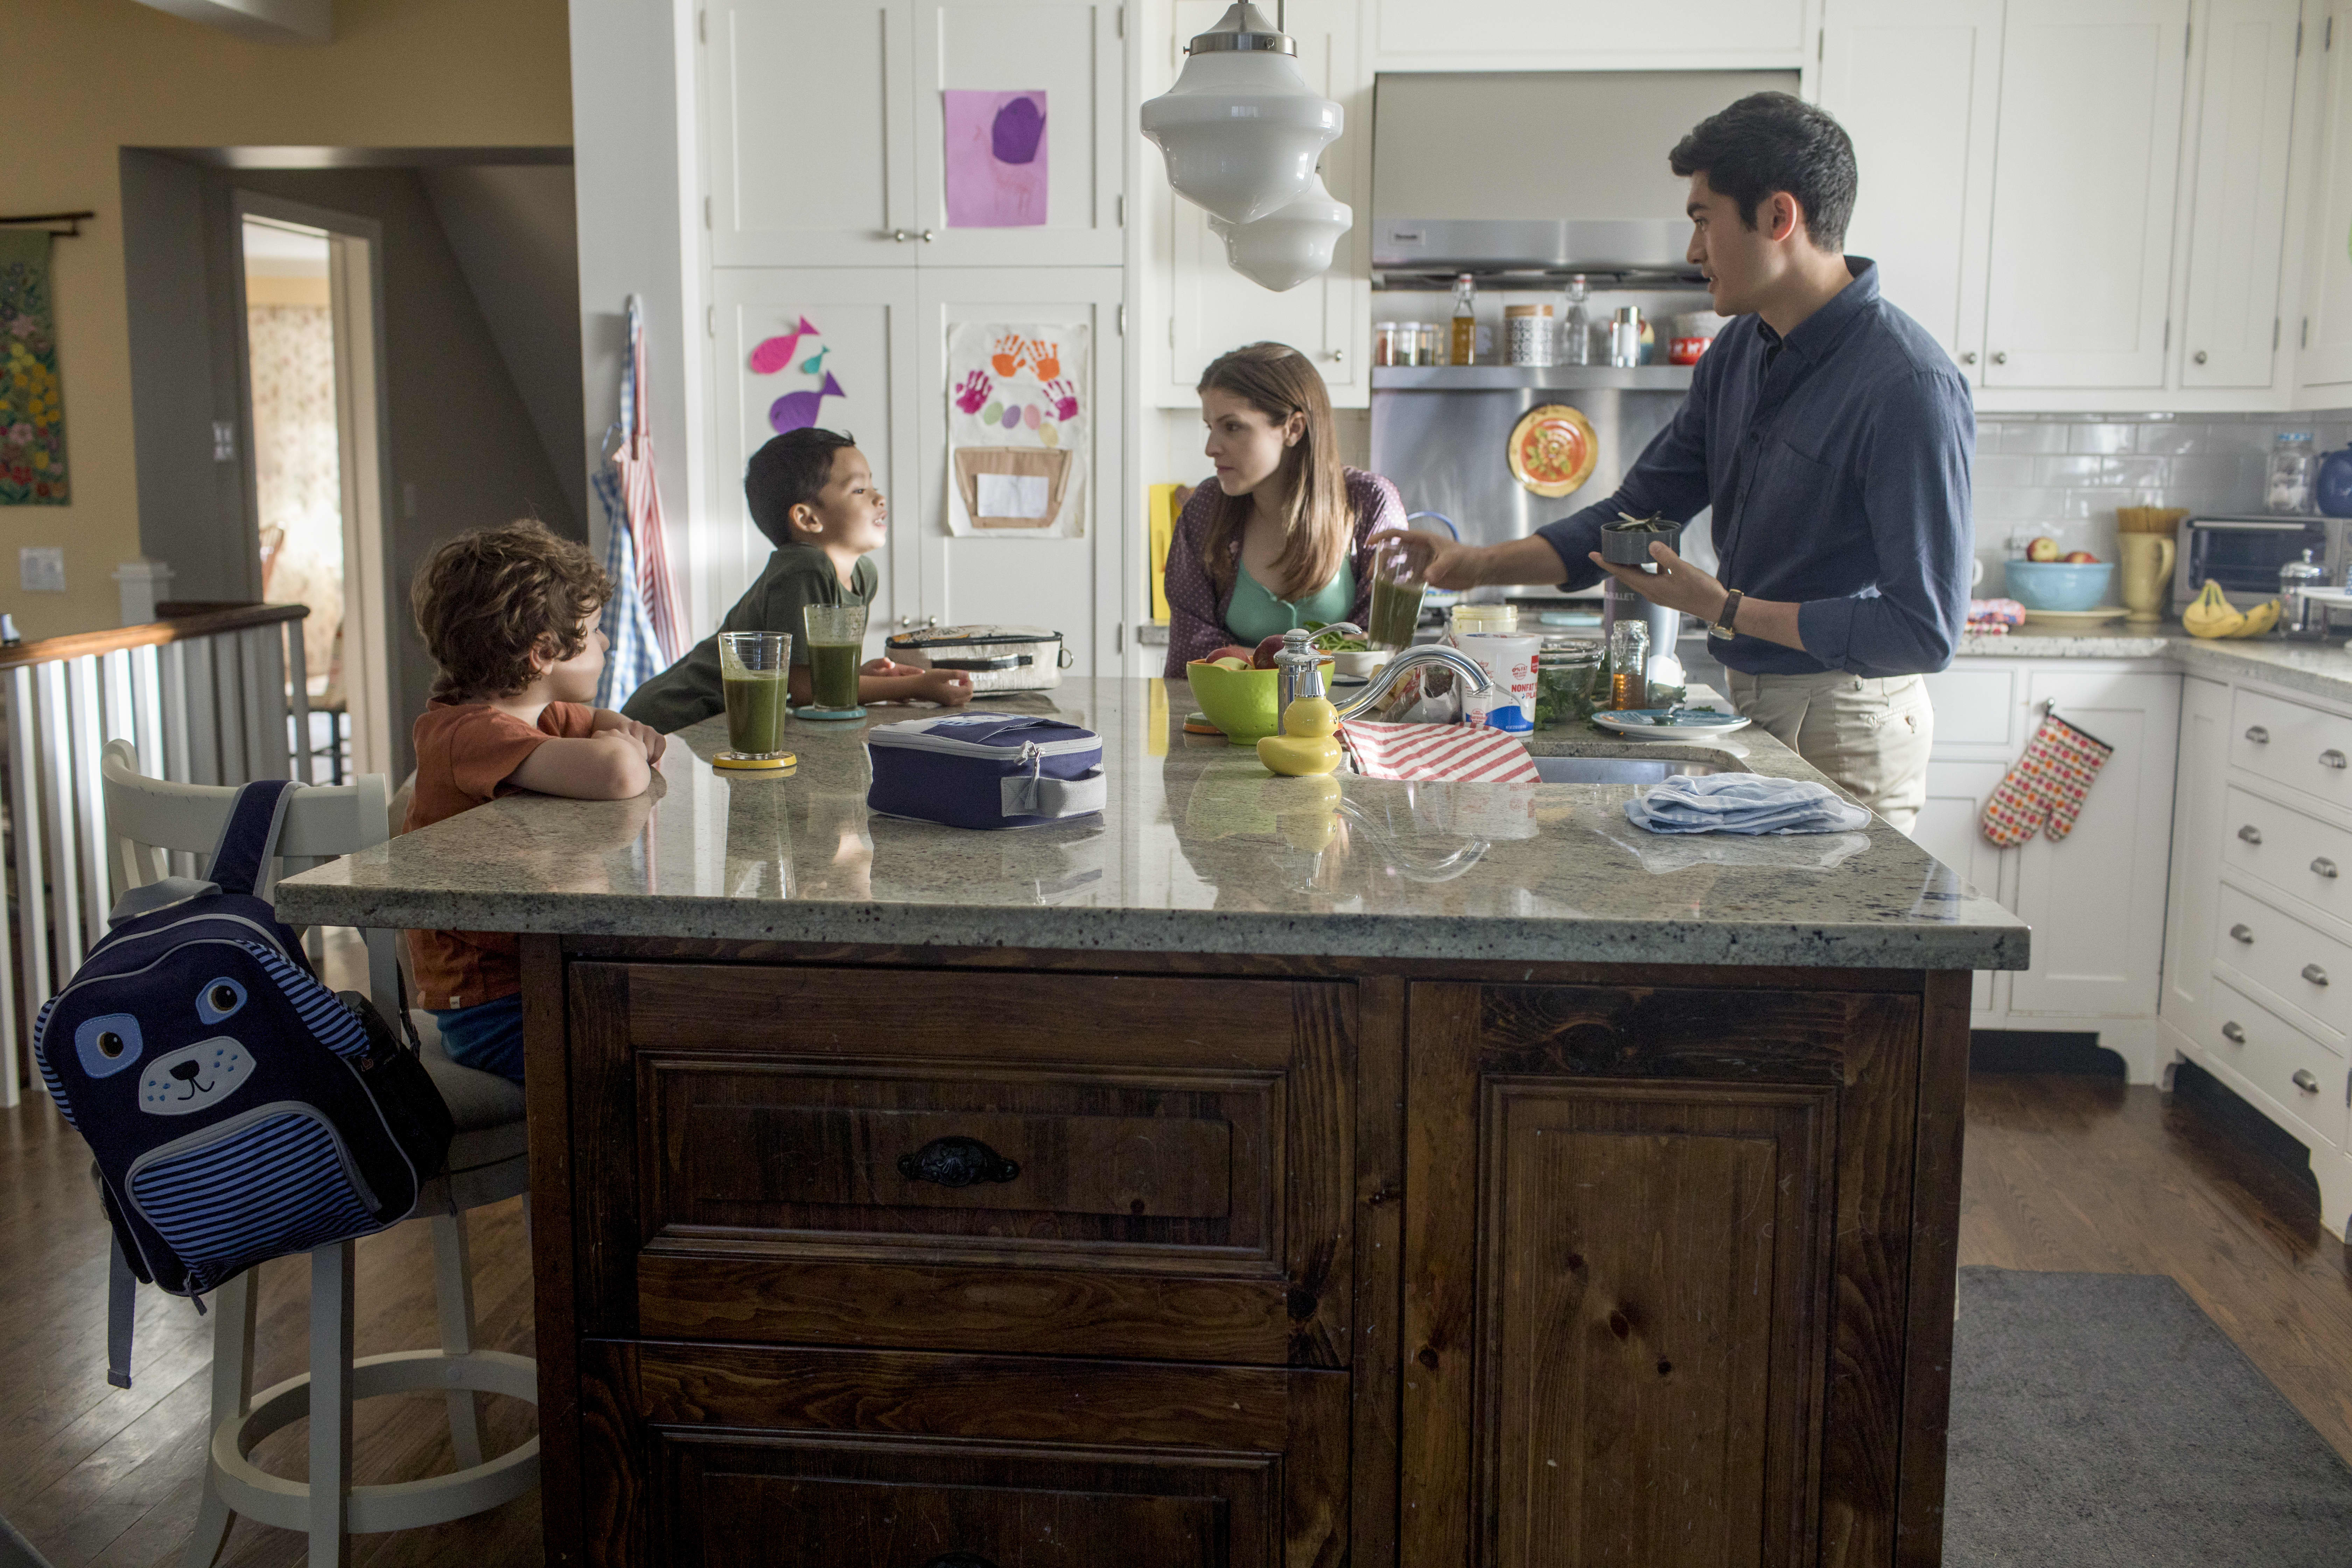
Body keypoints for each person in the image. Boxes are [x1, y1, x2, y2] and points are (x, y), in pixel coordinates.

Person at [1372, 92, 1971, 835]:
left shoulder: (1907, 384)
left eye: (1703, 220)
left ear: (1778, 218)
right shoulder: (1738, 354)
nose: (1693, 251)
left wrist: (1725, 608)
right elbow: (1634, 512)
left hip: (1849, 724)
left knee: (1826, 913)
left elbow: (1924, 629)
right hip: (1752, 705)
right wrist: (1473, 564)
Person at [404, 519, 668, 1082]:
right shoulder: (468, 734)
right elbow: (621, 773)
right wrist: (622, 748)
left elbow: (610, 728)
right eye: (594, 632)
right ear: (544, 653)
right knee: (644, 1061)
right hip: (495, 1006)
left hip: (546, 971)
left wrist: (618, 731)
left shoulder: (539, 716)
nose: (606, 643)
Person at [624, 427, 972, 731]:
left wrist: (863, 675)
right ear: (808, 519)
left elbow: (816, 680)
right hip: (675, 715)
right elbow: (808, 690)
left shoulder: (863, 575)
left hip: (731, 718)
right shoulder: (805, 568)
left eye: (873, 487)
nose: (879, 498)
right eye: (859, 490)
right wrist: (917, 687)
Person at [1164, 343, 1408, 675]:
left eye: (1232, 427)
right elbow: (1190, 650)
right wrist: (1315, 662)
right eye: (1211, 428)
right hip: (1232, 709)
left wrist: (1249, 659)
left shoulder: (1371, 502)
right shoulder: (1205, 509)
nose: (1211, 448)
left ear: (1293, 429)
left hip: (1347, 708)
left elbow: (1383, 651)